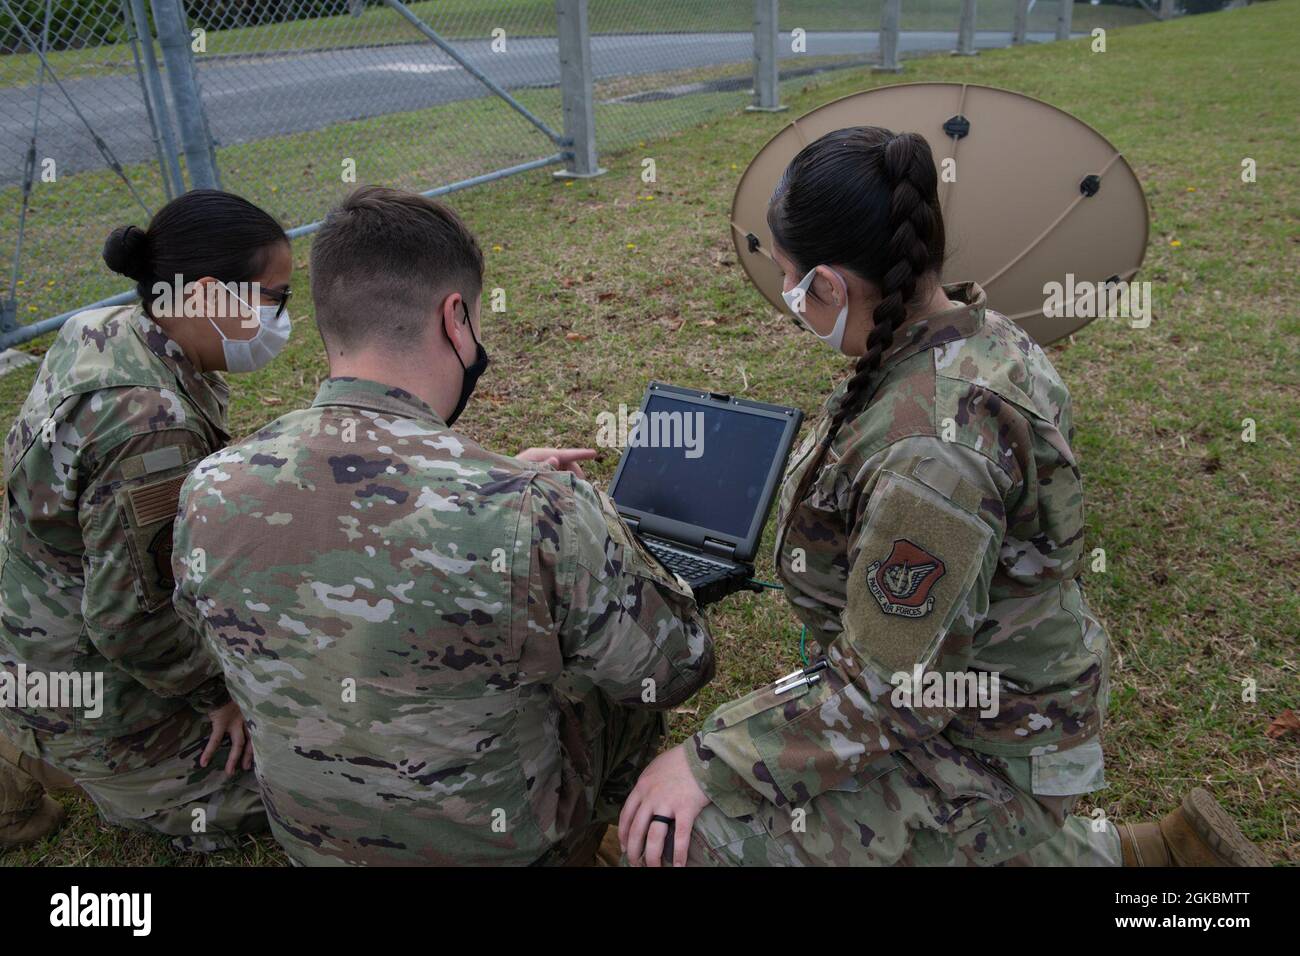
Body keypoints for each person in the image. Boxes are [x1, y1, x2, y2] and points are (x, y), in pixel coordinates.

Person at [619, 126, 1268, 868]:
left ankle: (1084, 851)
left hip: (987, 742)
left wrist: (708, 760)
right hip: (975, 693)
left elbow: (893, 696)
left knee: (699, 839)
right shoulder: (968, 334)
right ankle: (1151, 858)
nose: (793, 300)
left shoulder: (933, 454)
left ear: (828, 286)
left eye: (794, 282)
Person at [171, 185, 715, 866]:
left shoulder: (211, 486)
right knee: (610, 676)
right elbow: (676, 668)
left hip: (314, 844)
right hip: (504, 847)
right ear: (455, 319)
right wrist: (586, 523)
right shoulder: (541, 511)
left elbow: (224, 623)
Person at [0, 189, 290, 851]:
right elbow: (127, 620)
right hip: (86, 679)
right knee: (285, 785)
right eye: (278, 297)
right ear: (213, 296)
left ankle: (29, 725)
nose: (284, 319)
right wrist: (215, 692)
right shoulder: (147, 423)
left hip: (33, 629)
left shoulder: (105, 331)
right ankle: (45, 753)